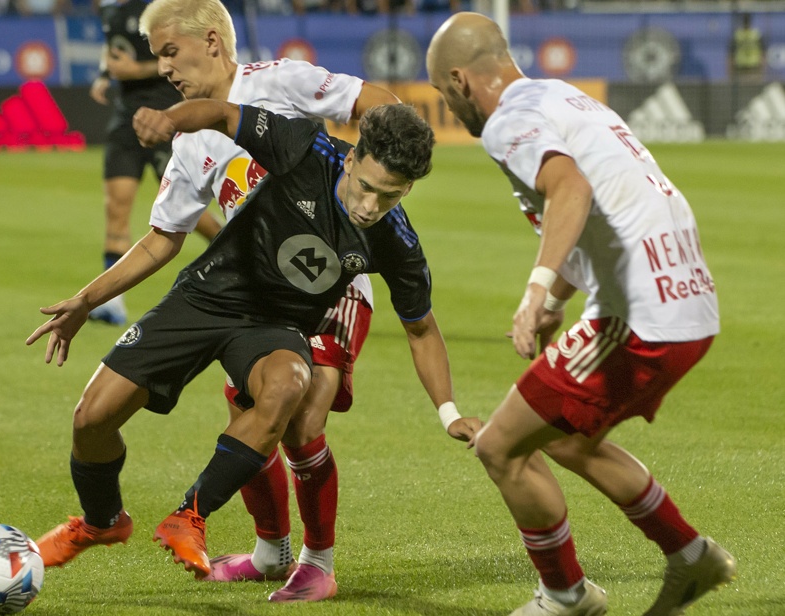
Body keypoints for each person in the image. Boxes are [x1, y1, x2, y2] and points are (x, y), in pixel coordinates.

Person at [28, 100, 480, 601]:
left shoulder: (396, 242)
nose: (370, 207)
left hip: (275, 327)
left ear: (408, 189)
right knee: (92, 418)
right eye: (367, 187)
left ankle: (191, 515)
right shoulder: (305, 147)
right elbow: (223, 115)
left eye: (390, 196)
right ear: (352, 160)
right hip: (205, 297)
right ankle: (102, 521)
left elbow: (421, 330)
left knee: (289, 387)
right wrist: (169, 122)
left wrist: (449, 412)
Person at [426, 13, 735, 616]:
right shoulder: (564, 98)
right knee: (568, 439)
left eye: (443, 92)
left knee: (500, 447)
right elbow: (600, 208)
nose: (448, 104)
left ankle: (567, 597)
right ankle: (691, 555)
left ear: (461, 80)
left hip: (642, 317)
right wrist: (564, 298)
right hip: (686, 299)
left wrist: (536, 291)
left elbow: (571, 189)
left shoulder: (507, 123)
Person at [127, 0, 408, 601]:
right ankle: (271, 551)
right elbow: (165, 235)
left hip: (333, 282)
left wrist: (387, 167)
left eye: (169, 52)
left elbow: (377, 103)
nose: (164, 69)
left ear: (210, 39)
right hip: (258, 297)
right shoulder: (189, 141)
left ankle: (320, 562)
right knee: (250, 415)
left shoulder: (281, 81)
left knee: (302, 423)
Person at [87, 0, 222, 326]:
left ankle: (244, 253)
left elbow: (180, 56)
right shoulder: (110, 11)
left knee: (194, 214)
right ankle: (112, 304)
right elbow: (116, 50)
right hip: (125, 122)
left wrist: (137, 71)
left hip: (166, 118)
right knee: (116, 209)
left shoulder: (161, 10)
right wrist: (106, 74)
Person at [729, 13, 766, 83]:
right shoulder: (756, 34)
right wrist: (762, 71)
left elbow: (731, 56)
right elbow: (762, 54)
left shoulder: (737, 35)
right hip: (753, 69)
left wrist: (730, 73)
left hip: (741, 69)